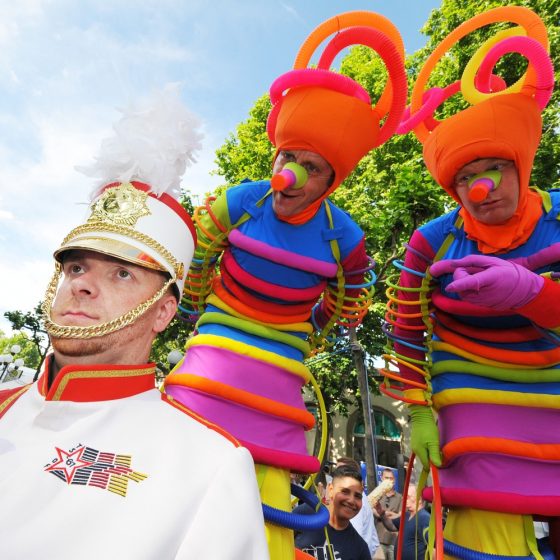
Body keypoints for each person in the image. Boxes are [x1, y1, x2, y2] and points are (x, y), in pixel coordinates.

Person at [163, 12, 407, 559]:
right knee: (176, 465)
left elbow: (350, 300)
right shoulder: (240, 201)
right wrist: (200, 305)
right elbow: (200, 248)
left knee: (263, 485)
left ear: (330, 181)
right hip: (213, 354)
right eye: (287, 156)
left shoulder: (343, 236)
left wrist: (308, 329)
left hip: (279, 371)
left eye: (310, 166)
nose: (290, 173)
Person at [0, 89, 269, 559]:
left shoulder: (211, 465)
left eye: (122, 272)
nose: (81, 285)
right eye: (77, 267)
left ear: (164, 311)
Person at [383, 72, 560, 559]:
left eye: (496, 167)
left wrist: (534, 293)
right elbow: (407, 329)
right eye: (464, 177)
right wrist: (419, 411)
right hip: (475, 417)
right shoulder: (433, 239)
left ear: (522, 164)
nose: (482, 188)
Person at [294, 465, 372, 560]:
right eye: (345, 491)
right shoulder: (304, 514)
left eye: (358, 496)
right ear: (330, 490)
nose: (351, 500)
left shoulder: (360, 548)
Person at [336, 457, 380, 557]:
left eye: (339, 471)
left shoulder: (354, 502)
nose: (334, 475)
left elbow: (354, 534)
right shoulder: (357, 498)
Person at [374, 485, 429, 560]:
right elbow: (392, 526)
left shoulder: (424, 518)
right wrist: (382, 514)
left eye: (408, 496)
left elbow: (434, 547)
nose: (404, 498)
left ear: (419, 499)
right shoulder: (406, 515)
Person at [372, 469, 402, 560]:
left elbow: (401, 515)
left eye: (391, 478)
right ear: (382, 478)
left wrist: (382, 513)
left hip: (393, 541)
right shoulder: (377, 494)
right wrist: (390, 514)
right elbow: (372, 510)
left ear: (394, 480)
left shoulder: (400, 497)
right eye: (386, 478)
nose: (389, 480)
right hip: (378, 540)